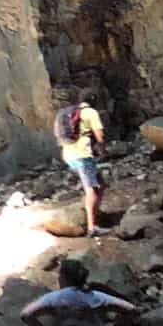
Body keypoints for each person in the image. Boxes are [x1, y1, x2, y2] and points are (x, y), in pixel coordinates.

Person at [54, 98, 107, 235]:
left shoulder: (69, 112)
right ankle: (92, 227)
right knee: (91, 189)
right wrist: (103, 150)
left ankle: (95, 215)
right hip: (82, 155)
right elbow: (100, 136)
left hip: (69, 155)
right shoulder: (90, 112)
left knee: (100, 184)